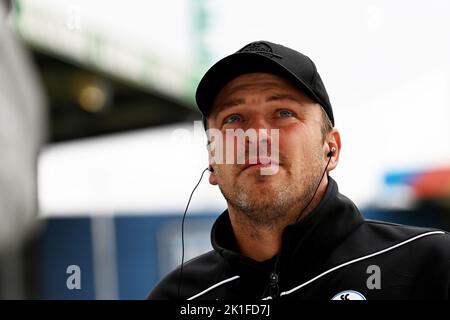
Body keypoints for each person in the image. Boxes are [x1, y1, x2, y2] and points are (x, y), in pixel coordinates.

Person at [148, 41, 450, 300]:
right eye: (234, 118)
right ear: (213, 161)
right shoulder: (179, 296)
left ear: (331, 149)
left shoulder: (429, 265)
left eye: (283, 113)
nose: (257, 135)